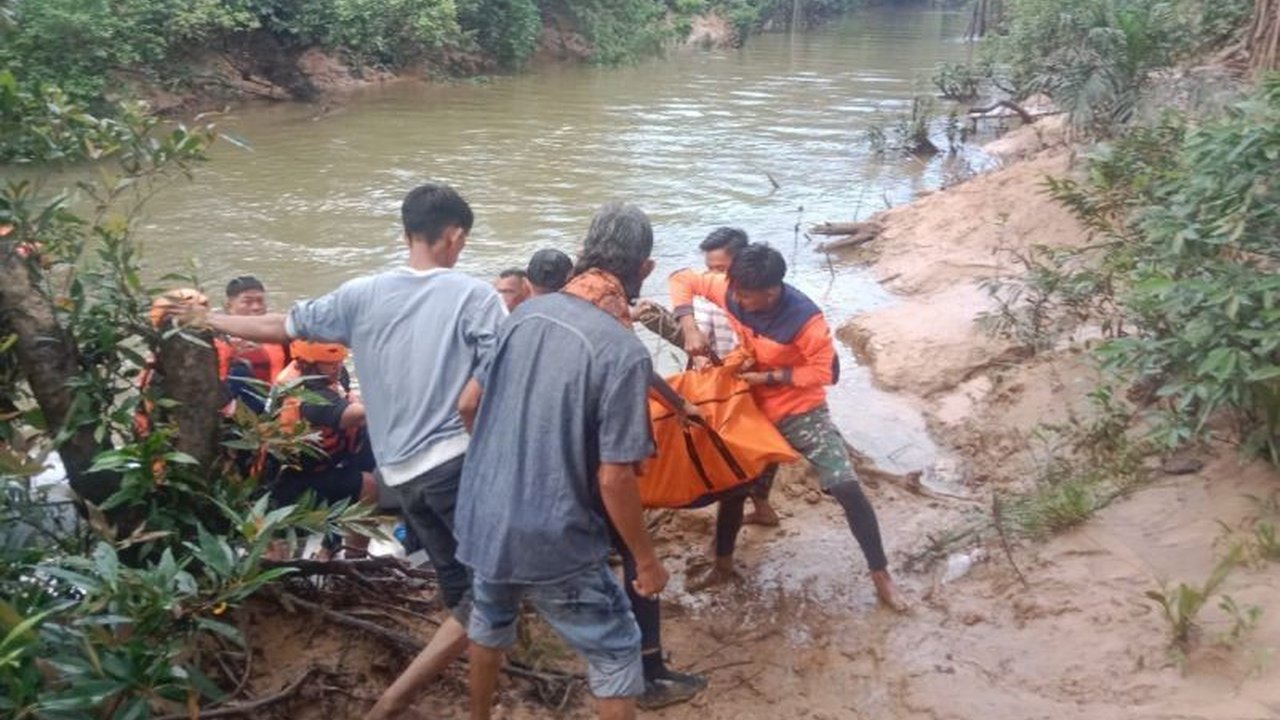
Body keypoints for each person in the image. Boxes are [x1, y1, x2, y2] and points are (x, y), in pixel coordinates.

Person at [162, 183, 506, 719]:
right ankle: (396, 704)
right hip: (455, 468)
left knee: (466, 593)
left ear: (406, 232)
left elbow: (280, 324)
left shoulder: (360, 293)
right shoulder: (475, 296)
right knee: (489, 595)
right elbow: (498, 378)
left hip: (402, 478)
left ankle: (459, 687)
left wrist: (207, 320)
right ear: (455, 236)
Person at [456, 202, 672, 720]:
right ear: (644, 270)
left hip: (484, 516)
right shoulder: (622, 351)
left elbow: (468, 404)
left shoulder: (522, 315)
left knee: (488, 623)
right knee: (618, 651)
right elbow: (616, 477)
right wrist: (646, 560)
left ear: (582, 254)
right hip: (555, 537)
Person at [669, 243, 905, 610]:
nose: (740, 303)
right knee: (734, 483)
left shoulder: (805, 321)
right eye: (736, 294)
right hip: (751, 405)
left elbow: (828, 372)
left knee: (845, 487)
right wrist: (689, 327)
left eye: (747, 298)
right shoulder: (731, 291)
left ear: (771, 291)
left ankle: (881, 576)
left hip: (799, 409)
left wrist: (770, 376)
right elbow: (681, 279)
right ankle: (725, 562)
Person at [269, 339, 377, 559]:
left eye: (339, 361)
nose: (337, 367)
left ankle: (347, 557)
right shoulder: (305, 393)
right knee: (279, 558)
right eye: (329, 363)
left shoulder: (334, 376)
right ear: (308, 363)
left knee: (367, 469)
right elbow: (355, 415)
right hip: (286, 484)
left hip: (324, 468)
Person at [218, 275, 288, 414]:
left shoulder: (279, 335)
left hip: (278, 409)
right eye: (247, 302)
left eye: (260, 301)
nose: (256, 307)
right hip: (234, 415)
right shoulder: (216, 339)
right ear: (229, 306)